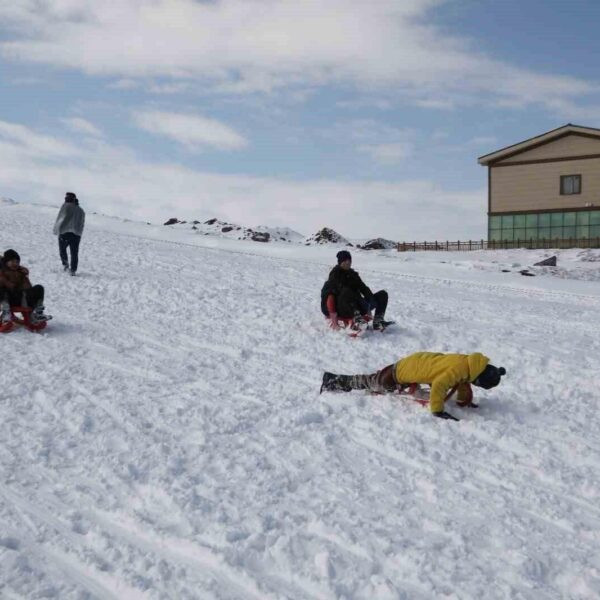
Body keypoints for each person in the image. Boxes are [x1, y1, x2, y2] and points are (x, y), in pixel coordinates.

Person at [320, 351, 506, 421]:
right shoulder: (460, 370)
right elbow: (440, 385)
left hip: (416, 361)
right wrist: (438, 410)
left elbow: (462, 384)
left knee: (377, 381)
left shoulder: (469, 363)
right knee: (372, 381)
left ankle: (376, 387)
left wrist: (466, 401)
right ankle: (333, 380)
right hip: (399, 373)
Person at [320, 250, 391, 330]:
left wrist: (370, 299)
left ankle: (378, 322)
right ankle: (357, 319)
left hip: (359, 304)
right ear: (340, 262)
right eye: (345, 260)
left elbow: (363, 288)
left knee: (383, 294)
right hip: (343, 308)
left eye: (349, 260)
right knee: (347, 291)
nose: (348, 262)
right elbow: (330, 296)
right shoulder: (335, 275)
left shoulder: (353, 275)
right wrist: (333, 317)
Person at [0, 249, 51, 325]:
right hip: (9, 299)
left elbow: (28, 287)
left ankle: (38, 313)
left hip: (22, 298)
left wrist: (24, 277)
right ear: (6, 262)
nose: (15, 264)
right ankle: (6, 312)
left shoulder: (21, 272)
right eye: (12, 261)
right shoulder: (2, 272)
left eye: (17, 262)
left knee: (39, 288)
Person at [53, 191, 85, 276]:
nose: (66, 199)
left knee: (62, 249)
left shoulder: (65, 206)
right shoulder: (81, 210)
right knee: (74, 252)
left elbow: (60, 218)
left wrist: (56, 230)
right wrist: (79, 233)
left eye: (67, 198)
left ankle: (66, 265)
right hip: (76, 234)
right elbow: (82, 223)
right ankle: (73, 270)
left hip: (65, 232)